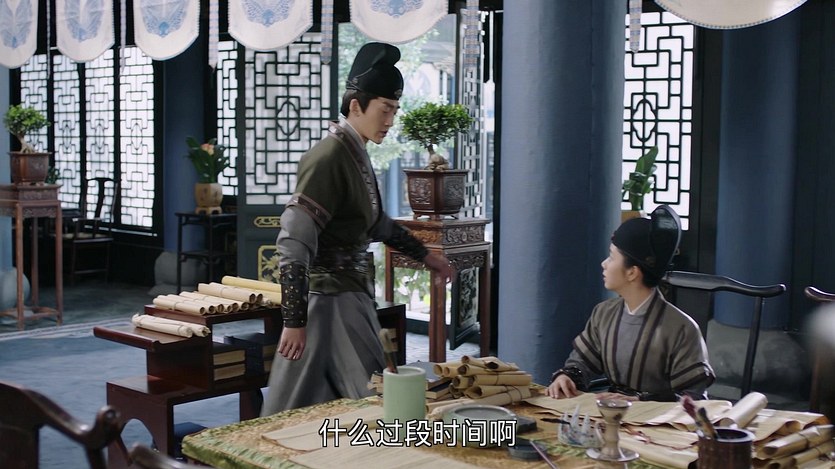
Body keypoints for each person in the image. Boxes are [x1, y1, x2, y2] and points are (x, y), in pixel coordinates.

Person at [261, 42, 455, 414]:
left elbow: (374, 223)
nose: (390, 120)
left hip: (347, 294)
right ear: (356, 106)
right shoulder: (328, 156)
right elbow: (295, 240)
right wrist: (294, 320)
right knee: (374, 397)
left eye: (395, 110)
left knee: (314, 401)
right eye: (385, 109)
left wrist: (426, 256)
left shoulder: (355, 152)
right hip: (329, 302)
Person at [546, 205, 714, 402]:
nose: (604, 264)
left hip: (657, 419)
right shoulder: (604, 313)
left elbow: (693, 398)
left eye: (611, 257)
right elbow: (582, 361)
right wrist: (567, 377)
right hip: (610, 411)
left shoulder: (681, 329)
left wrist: (643, 401)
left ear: (632, 272)